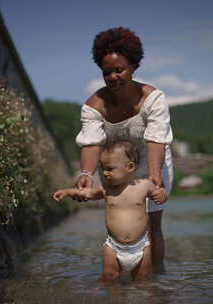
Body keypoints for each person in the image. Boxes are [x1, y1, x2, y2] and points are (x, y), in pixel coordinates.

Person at [74, 27, 173, 270]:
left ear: (133, 66)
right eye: (107, 72)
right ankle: (118, 283)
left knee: (151, 224)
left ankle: (154, 282)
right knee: (121, 223)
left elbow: (156, 138)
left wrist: (154, 172)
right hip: (114, 166)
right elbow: (91, 142)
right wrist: (86, 173)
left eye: (119, 70)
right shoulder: (93, 105)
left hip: (154, 161)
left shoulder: (152, 98)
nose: (113, 77)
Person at [53, 139, 167, 282]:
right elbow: (87, 193)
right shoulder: (106, 189)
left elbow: (161, 193)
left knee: (143, 279)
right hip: (113, 247)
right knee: (109, 278)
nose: (105, 173)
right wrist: (67, 192)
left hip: (141, 247)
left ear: (130, 167)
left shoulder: (144, 186)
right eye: (103, 168)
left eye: (110, 168)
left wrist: (162, 194)